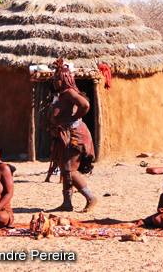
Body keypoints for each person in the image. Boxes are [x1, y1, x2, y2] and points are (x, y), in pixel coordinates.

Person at [48, 58, 98, 212]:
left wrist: (76, 118)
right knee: (65, 168)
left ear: (66, 79)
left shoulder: (69, 93)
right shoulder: (60, 95)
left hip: (74, 135)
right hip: (64, 135)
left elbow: (85, 104)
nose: (56, 82)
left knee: (69, 170)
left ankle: (91, 197)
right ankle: (66, 203)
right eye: (54, 79)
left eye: (58, 79)